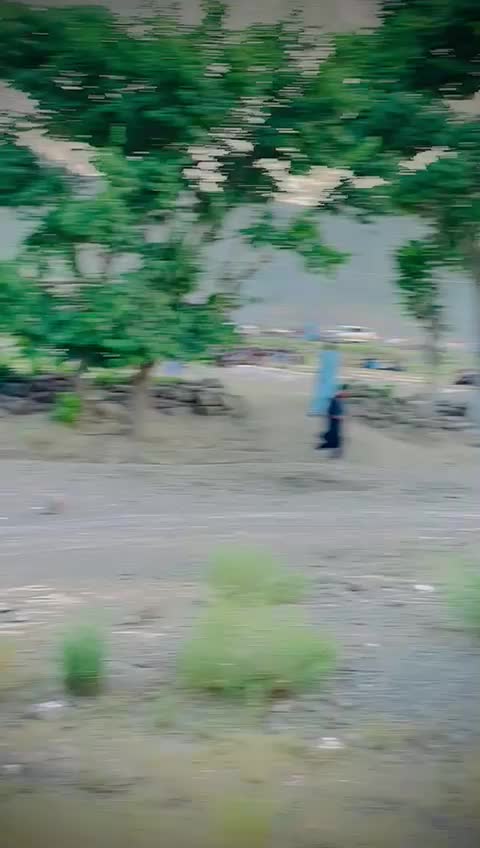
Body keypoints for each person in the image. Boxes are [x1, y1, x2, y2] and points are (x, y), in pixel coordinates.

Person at [316, 385, 348, 458]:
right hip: (333, 425)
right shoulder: (334, 401)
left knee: (336, 441)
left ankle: (334, 453)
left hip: (336, 426)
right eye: (344, 393)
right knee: (334, 441)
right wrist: (340, 417)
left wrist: (341, 417)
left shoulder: (340, 401)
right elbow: (330, 414)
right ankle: (333, 453)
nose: (346, 395)